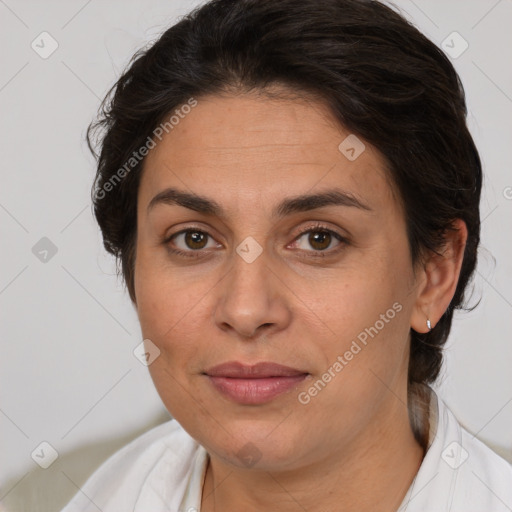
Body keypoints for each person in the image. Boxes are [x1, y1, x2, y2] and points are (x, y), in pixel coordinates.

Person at [61, 0, 512, 510]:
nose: (247, 310)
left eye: (320, 239)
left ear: (434, 272)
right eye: (193, 239)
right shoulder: (61, 494)